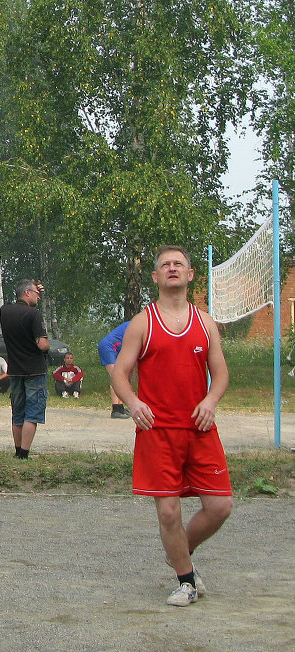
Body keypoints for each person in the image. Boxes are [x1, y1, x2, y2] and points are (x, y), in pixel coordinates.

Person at [110, 245, 232, 608]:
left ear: (191, 274)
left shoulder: (205, 321)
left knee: (220, 507)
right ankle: (186, 580)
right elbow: (119, 373)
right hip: (158, 431)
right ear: (156, 277)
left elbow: (221, 373)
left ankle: (179, 550)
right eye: (166, 265)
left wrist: (210, 402)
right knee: (168, 512)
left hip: (199, 429)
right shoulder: (144, 322)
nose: (173, 268)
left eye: (179, 263)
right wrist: (133, 404)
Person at [0, 279, 50, 459]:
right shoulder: (33, 315)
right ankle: (25, 454)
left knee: (18, 412)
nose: (38, 296)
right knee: (32, 412)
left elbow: (21, 304)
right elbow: (42, 344)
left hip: (15, 369)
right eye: (36, 293)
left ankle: (18, 450)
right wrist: (47, 344)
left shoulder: (4, 312)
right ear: (28, 293)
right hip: (34, 369)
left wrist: (36, 291)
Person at [99, 321, 132, 418]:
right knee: (116, 378)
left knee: (122, 377)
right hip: (108, 347)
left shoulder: (139, 324)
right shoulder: (136, 325)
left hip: (116, 348)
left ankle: (120, 407)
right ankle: (115, 409)